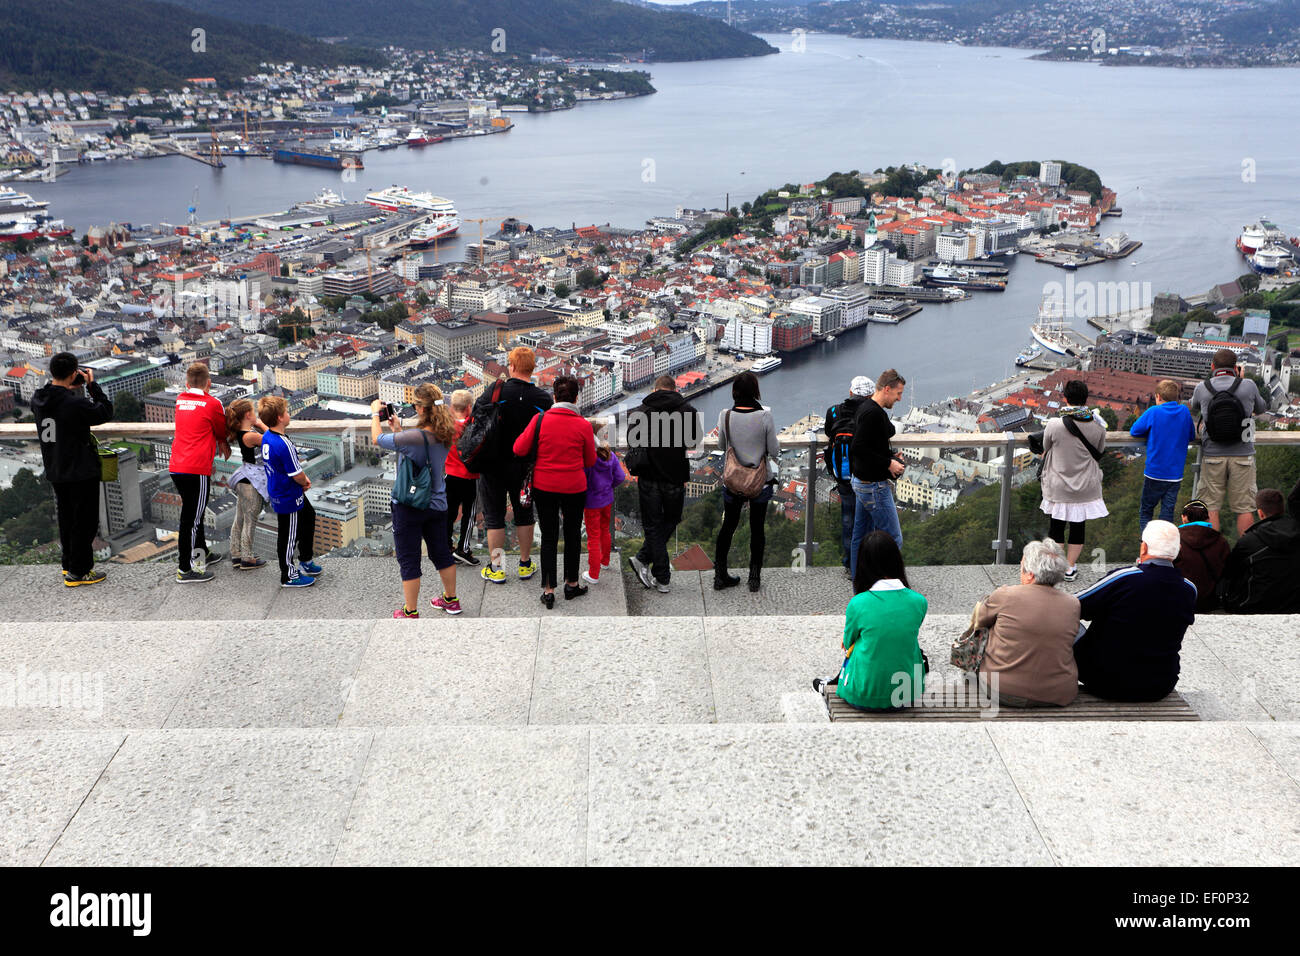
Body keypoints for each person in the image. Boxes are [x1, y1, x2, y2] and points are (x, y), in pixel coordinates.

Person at [1073, 520, 1196, 702]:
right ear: (1177, 550)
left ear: (1143, 548)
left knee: (1068, 622)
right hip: (1160, 685)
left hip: (1103, 681)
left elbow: (1071, 605)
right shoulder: (1189, 589)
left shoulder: (1125, 578)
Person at [812, 531, 928, 712]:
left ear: (863, 564)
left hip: (863, 696)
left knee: (859, 644)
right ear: (897, 561)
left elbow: (847, 643)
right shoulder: (919, 602)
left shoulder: (858, 603)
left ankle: (830, 685)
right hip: (907, 695)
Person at [371, 386, 461, 617]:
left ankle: (410, 610)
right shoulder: (446, 432)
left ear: (421, 409)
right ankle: (451, 600)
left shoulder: (414, 437)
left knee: (409, 558)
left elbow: (376, 439)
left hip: (409, 506)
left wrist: (374, 413)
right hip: (438, 503)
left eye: (414, 406)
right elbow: (418, 452)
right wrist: (399, 429)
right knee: (441, 552)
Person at [30, 352, 114, 586]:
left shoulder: (39, 398)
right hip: (79, 470)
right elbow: (105, 411)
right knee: (85, 522)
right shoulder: (74, 402)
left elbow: (60, 407)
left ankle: (68, 565)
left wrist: (69, 384)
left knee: (67, 519)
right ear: (73, 373)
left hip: (56, 469)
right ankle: (80, 571)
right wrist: (92, 385)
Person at [513, 375, 596, 608]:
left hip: (544, 485)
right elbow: (590, 460)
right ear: (576, 398)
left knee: (549, 536)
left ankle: (549, 591)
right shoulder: (583, 425)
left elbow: (518, 448)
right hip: (574, 486)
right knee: (572, 535)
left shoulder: (539, 420)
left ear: (554, 397)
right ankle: (571, 585)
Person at [475, 346, 553, 584]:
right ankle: (525, 563)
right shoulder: (542, 398)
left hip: (493, 463)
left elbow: (476, 419)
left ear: (511, 366)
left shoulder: (495, 391)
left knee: (494, 518)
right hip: (525, 466)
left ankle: (497, 567)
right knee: (524, 513)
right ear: (532, 368)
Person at [973, 539, 1080, 707]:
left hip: (1002, 690)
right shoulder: (1073, 603)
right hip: (1059, 693)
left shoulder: (1006, 595)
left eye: (1021, 565)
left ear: (1030, 574)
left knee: (992, 620)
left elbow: (979, 622)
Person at [627, 374, 702, 594]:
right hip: (675, 476)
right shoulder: (688, 411)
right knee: (672, 519)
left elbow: (633, 442)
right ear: (674, 390)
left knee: (652, 525)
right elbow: (693, 442)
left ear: (655, 390)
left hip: (649, 476)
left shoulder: (641, 411)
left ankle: (655, 571)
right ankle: (659, 573)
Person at [713, 371, 779, 592]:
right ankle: (754, 577)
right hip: (759, 481)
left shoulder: (726, 415)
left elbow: (722, 446)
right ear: (755, 391)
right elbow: (774, 450)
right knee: (757, 529)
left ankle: (720, 576)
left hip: (733, 480)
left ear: (734, 392)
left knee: (728, 527)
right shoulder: (765, 417)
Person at [1191, 348, 1269, 536]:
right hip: (1243, 454)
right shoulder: (1248, 385)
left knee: (1210, 507)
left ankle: (1213, 552)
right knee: (1244, 508)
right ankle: (1246, 555)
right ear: (1236, 368)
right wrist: (1241, 379)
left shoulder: (1203, 387)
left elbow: (1193, 407)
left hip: (1212, 454)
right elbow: (1262, 407)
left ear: (1212, 367)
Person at [1038, 379, 1107, 581]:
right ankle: (1070, 567)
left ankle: (1057, 567)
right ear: (1086, 400)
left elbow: (1046, 445)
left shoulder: (1055, 424)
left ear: (1065, 398)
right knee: (1078, 527)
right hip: (1086, 484)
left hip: (1059, 483)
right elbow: (1100, 450)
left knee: (1056, 526)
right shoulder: (1098, 425)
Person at [171, 363, 231, 583]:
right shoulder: (213, 404)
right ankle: (186, 569)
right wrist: (223, 442)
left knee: (193, 513)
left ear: (187, 383)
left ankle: (203, 553)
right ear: (209, 383)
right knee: (192, 520)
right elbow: (221, 430)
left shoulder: (180, 400)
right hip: (196, 468)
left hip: (177, 466)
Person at [848, 368, 906, 579]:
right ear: (887, 389)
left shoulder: (867, 407)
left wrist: (888, 455)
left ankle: (860, 585)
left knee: (860, 537)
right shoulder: (873, 412)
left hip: (861, 481)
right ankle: (887, 584)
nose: (899, 399)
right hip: (873, 485)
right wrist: (888, 463)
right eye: (898, 394)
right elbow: (858, 447)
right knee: (893, 539)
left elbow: (877, 437)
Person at [259, 396, 321, 589]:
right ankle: (289, 574)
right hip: (289, 495)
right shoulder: (283, 444)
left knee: (308, 516)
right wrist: (305, 481)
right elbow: (297, 473)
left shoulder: (269, 436)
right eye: (286, 412)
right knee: (287, 535)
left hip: (281, 489)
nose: (289, 414)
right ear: (279, 418)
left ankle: (306, 558)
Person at [1218, 488, 1300, 614]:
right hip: (1294, 605)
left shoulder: (1248, 542)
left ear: (1260, 513)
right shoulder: (1296, 533)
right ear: (1282, 509)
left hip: (1256, 605)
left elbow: (1229, 574)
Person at [1129, 379, 1196, 532]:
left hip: (1154, 473)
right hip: (1175, 475)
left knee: (1146, 511)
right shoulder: (1184, 411)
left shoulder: (1154, 411)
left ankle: (1146, 546)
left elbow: (1134, 430)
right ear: (1177, 398)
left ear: (1158, 397)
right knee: (1167, 514)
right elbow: (1191, 435)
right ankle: (1163, 549)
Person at [824, 375, 874, 573]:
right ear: (870, 395)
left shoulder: (834, 412)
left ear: (851, 392)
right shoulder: (872, 412)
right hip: (867, 475)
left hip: (843, 476)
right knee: (869, 522)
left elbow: (829, 433)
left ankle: (849, 564)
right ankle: (868, 564)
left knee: (848, 520)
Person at [224, 398, 268, 570]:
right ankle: (247, 558)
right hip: (253, 481)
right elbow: (273, 440)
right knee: (251, 519)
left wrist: (254, 423)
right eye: (254, 412)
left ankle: (236, 554)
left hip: (244, 478)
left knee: (240, 518)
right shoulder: (251, 435)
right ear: (249, 415)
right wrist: (261, 424)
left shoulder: (242, 434)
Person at [581, 421, 625, 585]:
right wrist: (608, 487)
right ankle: (605, 562)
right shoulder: (610, 455)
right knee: (605, 530)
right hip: (607, 499)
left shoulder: (588, 458)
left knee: (593, 537)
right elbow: (620, 477)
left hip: (591, 502)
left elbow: (582, 480)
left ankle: (593, 573)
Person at [1174, 499, 1230, 613]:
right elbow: (1228, 572)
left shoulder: (1174, 539)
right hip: (1211, 603)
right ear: (1208, 518)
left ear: (1184, 517)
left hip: (1181, 600)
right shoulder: (1221, 541)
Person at [444, 388, 480, 567]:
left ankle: (446, 547)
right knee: (469, 514)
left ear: (452, 407)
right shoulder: (472, 425)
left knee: (449, 513)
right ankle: (463, 549)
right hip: (469, 476)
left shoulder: (446, 425)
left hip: (449, 475)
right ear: (468, 407)